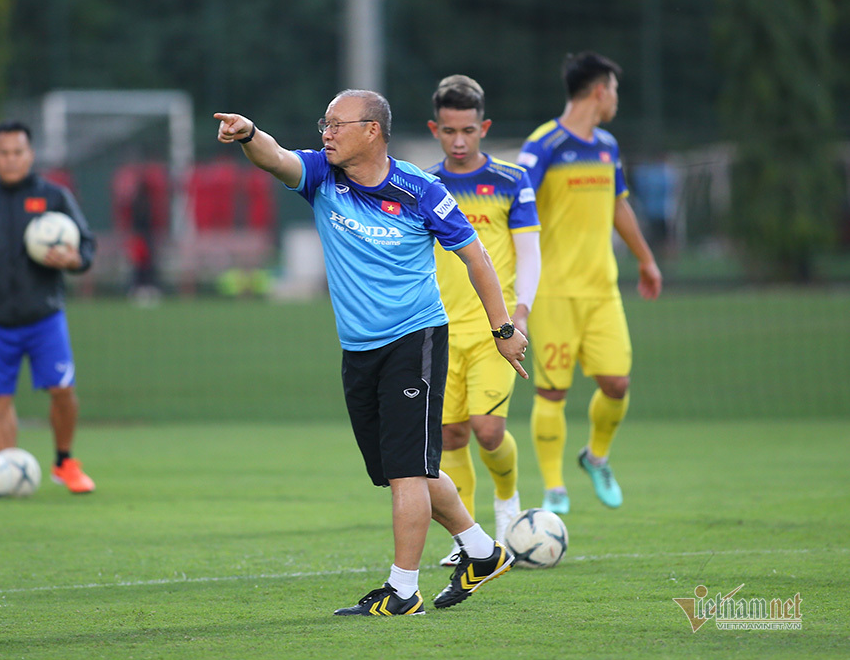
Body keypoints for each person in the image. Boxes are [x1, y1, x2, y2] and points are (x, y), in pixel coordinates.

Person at [215, 89, 528, 616]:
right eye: (324, 124)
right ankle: (481, 550)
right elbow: (275, 157)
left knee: (407, 469)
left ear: (373, 131)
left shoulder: (421, 190)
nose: (326, 134)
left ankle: (402, 590)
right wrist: (248, 134)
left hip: (416, 338)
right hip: (359, 349)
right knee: (404, 467)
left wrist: (503, 329)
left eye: (337, 124)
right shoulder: (321, 175)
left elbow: (477, 259)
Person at [516, 52, 662, 514]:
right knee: (552, 391)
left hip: (602, 290)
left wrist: (646, 260)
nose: (616, 99)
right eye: (615, 89)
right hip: (555, 290)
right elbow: (515, 205)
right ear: (600, 90)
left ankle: (595, 457)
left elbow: (620, 205)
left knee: (617, 383)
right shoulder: (544, 144)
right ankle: (554, 488)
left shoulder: (607, 146)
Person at [426, 75, 541, 566]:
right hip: (437, 331)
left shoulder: (512, 181)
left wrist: (519, 315)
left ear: (484, 127)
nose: (458, 140)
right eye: (449, 130)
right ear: (435, 128)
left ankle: (509, 511)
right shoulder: (424, 184)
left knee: (488, 432)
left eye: (468, 130)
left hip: (495, 330)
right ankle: (467, 540)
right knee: (451, 437)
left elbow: (530, 255)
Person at [0, 120, 97, 494]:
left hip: (44, 315)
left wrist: (74, 260)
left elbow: (86, 246)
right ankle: (8, 471)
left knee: (62, 391)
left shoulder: (54, 197)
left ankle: (64, 463)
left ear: (30, 154)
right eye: (4, 153)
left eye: (19, 152)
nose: (12, 159)